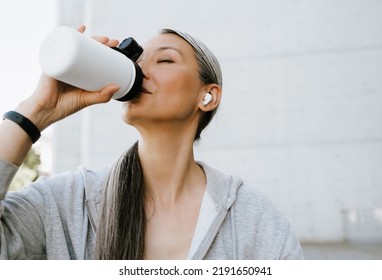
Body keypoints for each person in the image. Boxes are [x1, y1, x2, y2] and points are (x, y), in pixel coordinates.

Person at [0, 26, 303, 260]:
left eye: (165, 59)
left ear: (207, 96)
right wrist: (35, 111)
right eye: (138, 61)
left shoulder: (254, 220)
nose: (141, 70)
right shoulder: (66, 203)